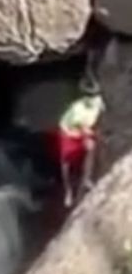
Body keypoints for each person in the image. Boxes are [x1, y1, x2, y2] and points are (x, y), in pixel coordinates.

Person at [54, 79, 104, 207]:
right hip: (69, 133)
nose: (94, 98)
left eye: (96, 94)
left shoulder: (98, 102)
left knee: (91, 149)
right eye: (90, 95)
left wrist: (94, 133)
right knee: (66, 162)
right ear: (84, 96)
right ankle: (68, 191)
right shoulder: (77, 108)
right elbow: (79, 125)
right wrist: (87, 136)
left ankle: (87, 178)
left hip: (85, 128)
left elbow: (100, 115)